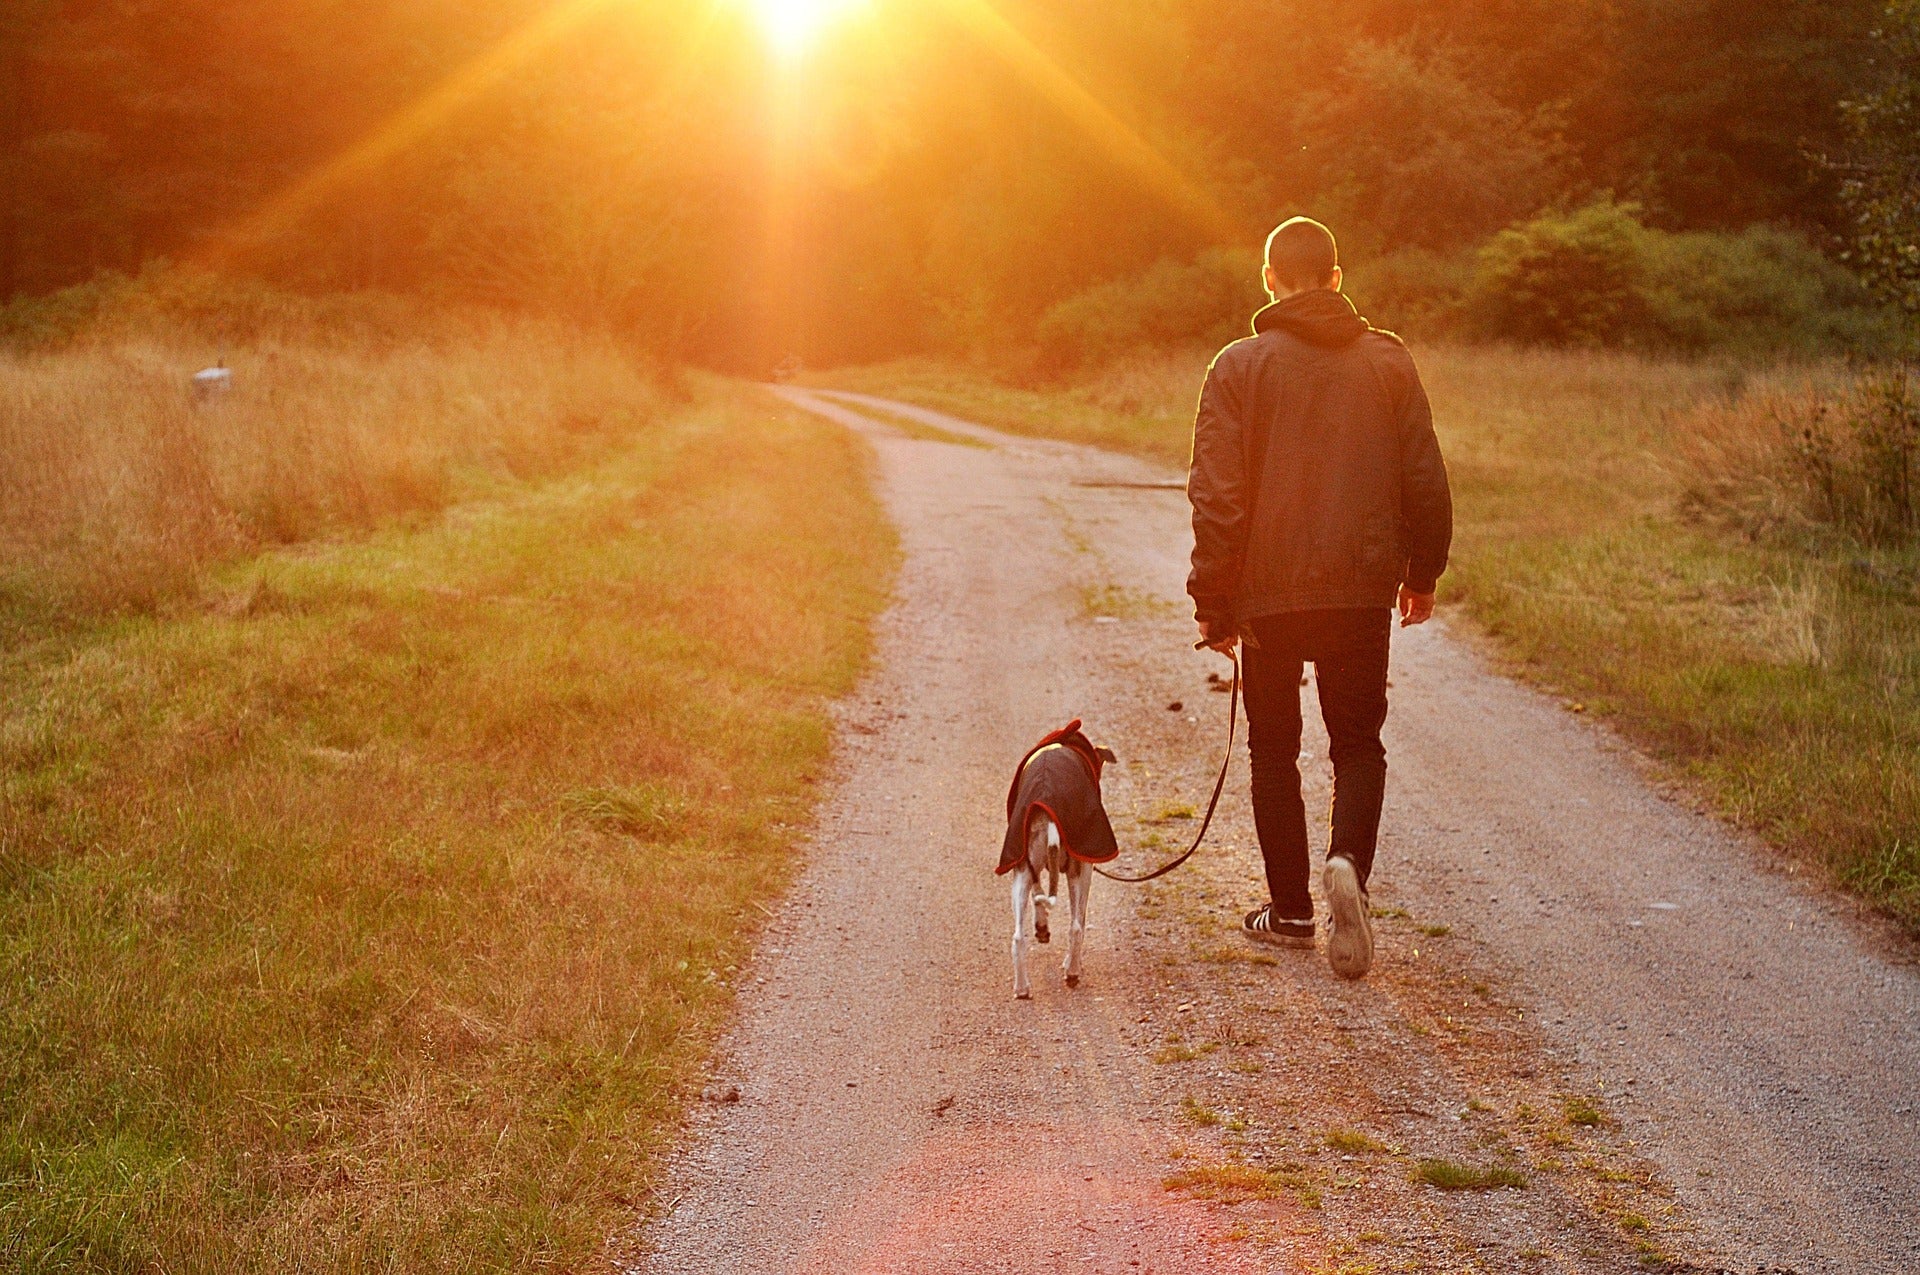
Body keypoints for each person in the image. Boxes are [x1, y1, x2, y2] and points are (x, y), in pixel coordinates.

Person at [1185, 216, 1453, 980]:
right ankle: (1347, 868)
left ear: (1268, 278)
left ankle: (1292, 910)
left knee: (1274, 749)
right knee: (1358, 742)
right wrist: (1421, 573)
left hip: (1267, 597)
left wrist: (1214, 597)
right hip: (1362, 589)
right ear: (1337, 278)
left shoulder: (1237, 366)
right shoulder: (1388, 362)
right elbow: (1425, 477)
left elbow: (1217, 495)